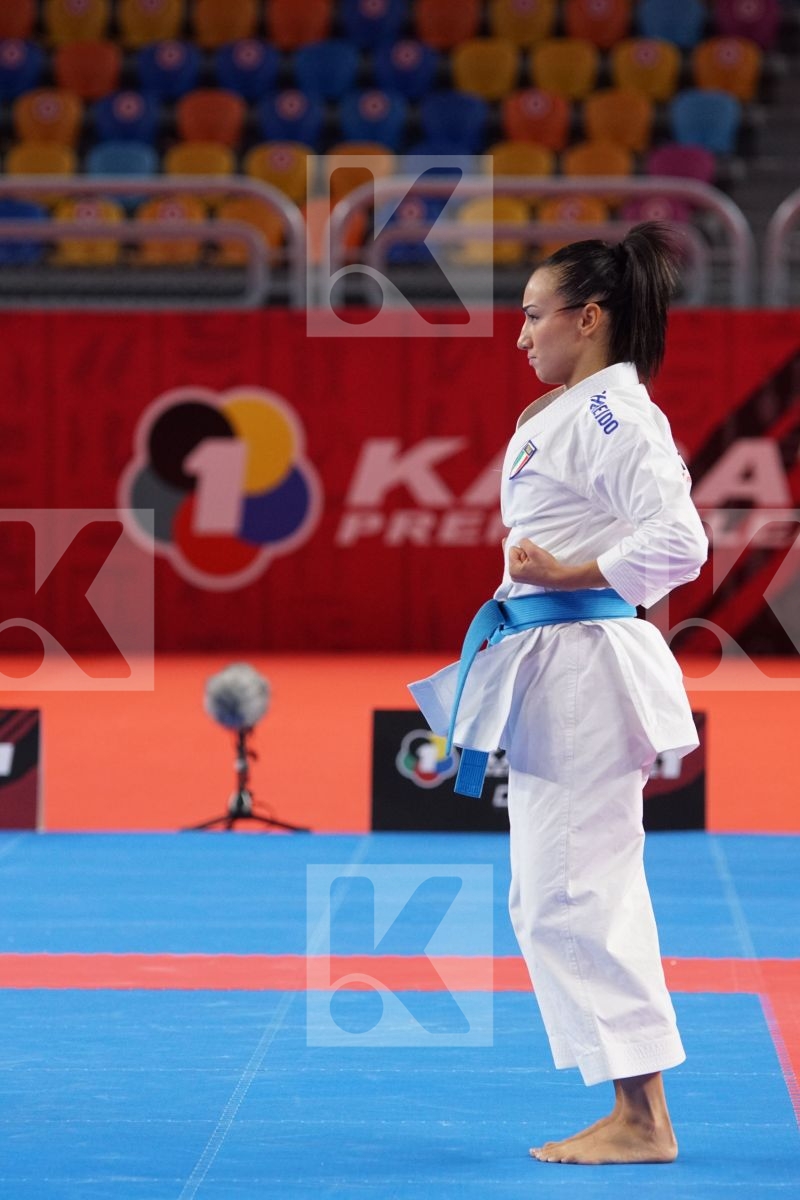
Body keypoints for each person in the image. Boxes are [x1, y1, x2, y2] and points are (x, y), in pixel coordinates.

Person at [409, 222, 708, 1165]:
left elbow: (681, 540)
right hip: (555, 662)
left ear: (589, 318)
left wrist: (573, 568)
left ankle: (642, 1117)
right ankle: (634, 1107)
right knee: (552, 895)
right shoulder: (576, 409)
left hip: (584, 664)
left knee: (575, 890)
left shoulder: (614, 413)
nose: (520, 333)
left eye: (536, 314)